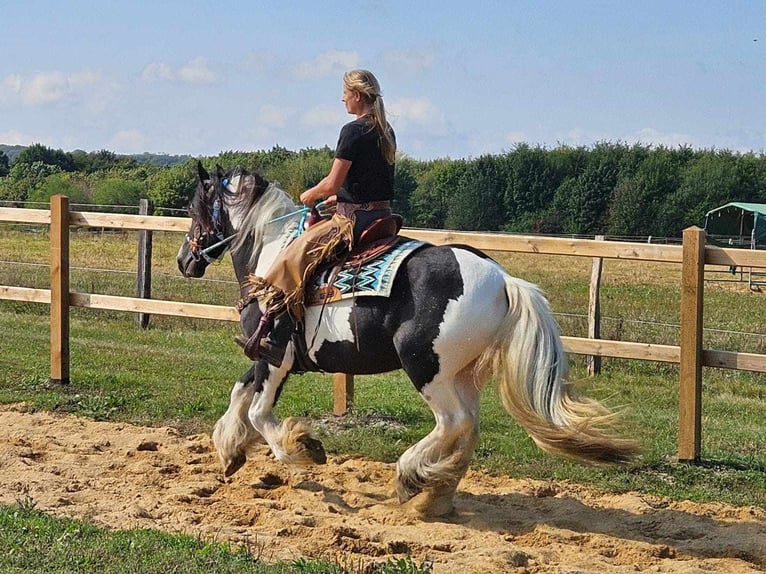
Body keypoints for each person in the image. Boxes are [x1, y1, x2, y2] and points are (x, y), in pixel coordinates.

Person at [244, 69, 397, 367]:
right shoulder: (384, 129)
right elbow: (369, 180)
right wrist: (338, 198)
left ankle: (276, 340)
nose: (341, 99)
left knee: (290, 260)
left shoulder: (352, 131)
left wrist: (311, 195)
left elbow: (331, 181)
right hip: (381, 215)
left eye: (344, 93)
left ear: (356, 95)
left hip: (352, 223)